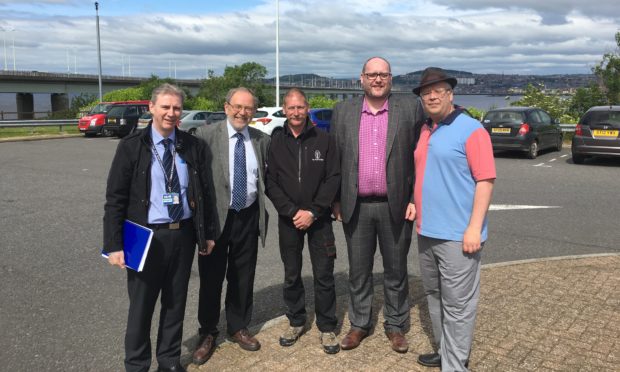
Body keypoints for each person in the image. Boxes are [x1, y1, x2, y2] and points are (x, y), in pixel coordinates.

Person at [103, 83, 215, 372]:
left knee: (175, 305)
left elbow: (205, 193)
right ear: (151, 108)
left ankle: (168, 361)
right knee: (141, 308)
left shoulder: (192, 146)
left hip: (183, 233)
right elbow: (115, 199)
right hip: (145, 236)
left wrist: (207, 234)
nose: (171, 113)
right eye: (165, 107)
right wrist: (114, 245)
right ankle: (137, 365)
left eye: (176, 107)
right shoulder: (132, 146)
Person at [331, 56, 425, 353]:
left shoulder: (410, 108)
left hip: (395, 206)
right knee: (359, 271)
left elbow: (422, 156)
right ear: (361, 78)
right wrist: (335, 200)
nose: (377, 79)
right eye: (371, 74)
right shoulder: (343, 111)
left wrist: (414, 199)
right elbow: (335, 160)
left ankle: (396, 326)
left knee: (396, 270)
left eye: (382, 74)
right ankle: (360, 324)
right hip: (355, 206)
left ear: (391, 78)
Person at [412, 67, 495, 371]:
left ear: (451, 95)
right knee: (434, 295)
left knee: (459, 305)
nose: (431, 96)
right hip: (426, 231)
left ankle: (455, 365)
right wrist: (412, 201)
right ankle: (445, 350)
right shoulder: (425, 129)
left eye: (438, 91)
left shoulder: (472, 130)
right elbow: (425, 173)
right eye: (426, 92)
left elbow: (485, 180)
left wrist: (474, 228)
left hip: (459, 235)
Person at [192, 87, 270, 365]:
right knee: (211, 280)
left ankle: (238, 326)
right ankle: (208, 333)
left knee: (242, 277)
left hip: (247, 216)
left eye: (248, 108)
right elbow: (195, 182)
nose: (242, 113)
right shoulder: (205, 136)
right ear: (226, 107)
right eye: (237, 107)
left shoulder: (261, 140)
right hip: (216, 220)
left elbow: (270, 179)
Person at [265, 88, 341, 354]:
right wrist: (290, 211)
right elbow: (271, 182)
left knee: (324, 275)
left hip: (319, 219)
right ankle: (296, 321)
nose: (296, 112)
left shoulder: (324, 139)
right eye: (291, 108)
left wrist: (314, 211)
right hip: (289, 220)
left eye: (300, 107)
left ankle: (327, 327)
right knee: (291, 274)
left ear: (307, 108)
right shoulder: (276, 141)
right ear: (284, 110)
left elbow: (333, 178)